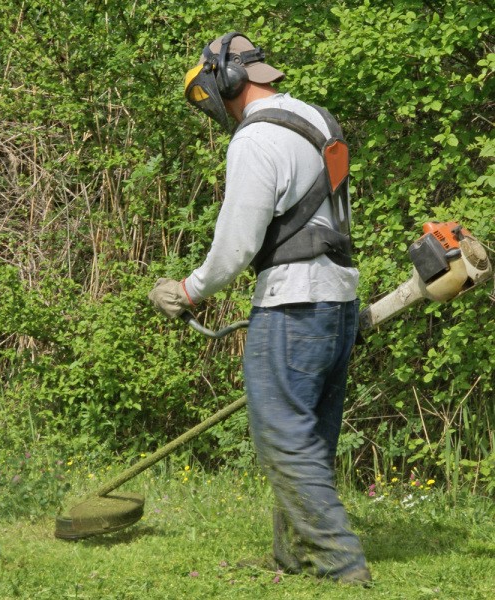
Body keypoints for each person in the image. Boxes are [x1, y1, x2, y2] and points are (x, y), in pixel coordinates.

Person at [148, 32, 371, 585]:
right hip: (338, 299)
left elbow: (237, 242)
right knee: (309, 437)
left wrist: (190, 290)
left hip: (293, 303)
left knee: (283, 437)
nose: (216, 109)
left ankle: (343, 565)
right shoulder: (319, 121)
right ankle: (294, 557)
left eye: (212, 95)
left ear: (227, 80)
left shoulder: (255, 139)